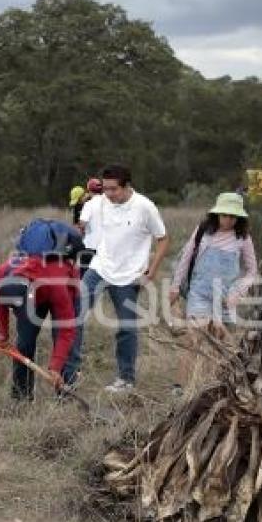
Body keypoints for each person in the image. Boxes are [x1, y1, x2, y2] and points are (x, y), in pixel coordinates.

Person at [65, 164, 170, 393]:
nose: (109, 194)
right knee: (74, 315)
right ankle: (70, 374)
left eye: (113, 189)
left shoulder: (144, 207)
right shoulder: (99, 202)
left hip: (129, 275)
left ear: (126, 186)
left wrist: (152, 270)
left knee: (126, 327)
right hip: (99, 268)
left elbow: (163, 239)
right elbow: (79, 227)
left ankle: (125, 379)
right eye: (106, 189)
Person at [169, 192, 258, 394]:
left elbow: (252, 271)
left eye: (233, 216)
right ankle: (180, 387)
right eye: (224, 215)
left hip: (226, 299)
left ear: (240, 218)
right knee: (194, 338)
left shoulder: (243, 238)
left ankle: (214, 388)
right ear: (217, 214)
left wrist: (237, 293)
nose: (228, 220)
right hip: (199, 294)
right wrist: (175, 286)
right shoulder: (203, 232)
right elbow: (185, 259)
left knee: (223, 345)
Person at [0, 221, 82, 401]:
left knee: (64, 341)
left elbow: (67, 330)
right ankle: (21, 398)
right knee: (24, 343)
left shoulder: (55, 283)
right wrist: (2, 335)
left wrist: (55, 366)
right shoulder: (1, 276)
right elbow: (0, 307)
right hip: (34, 296)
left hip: (63, 288)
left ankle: (66, 393)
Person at [76, 177, 104, 271]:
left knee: (85, 276)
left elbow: (82, 224)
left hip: (90, 245)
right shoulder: (109, 203)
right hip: (106, 248)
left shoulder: (89, 204)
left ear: (89, 190)